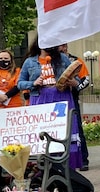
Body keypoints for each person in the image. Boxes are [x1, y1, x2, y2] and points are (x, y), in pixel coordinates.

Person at [16, 41, 83, 169]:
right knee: (42, 135)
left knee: (64, 133)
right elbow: (19, 83)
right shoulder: (30, 62)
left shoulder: (62, 58)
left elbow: (77, 79)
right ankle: (43, 168)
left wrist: (73, 82)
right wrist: (33, 83)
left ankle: (67, 169)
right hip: (40, 100)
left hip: (61, 99)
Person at [60, 43, 91, 170]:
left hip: (72, 98)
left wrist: (76, 85)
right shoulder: (50, 61)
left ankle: (83, 159)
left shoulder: (76, 61)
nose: (62, 48)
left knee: (77, 128)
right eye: (60, 45)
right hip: (56, 99)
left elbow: (86, 79)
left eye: (64, 45)